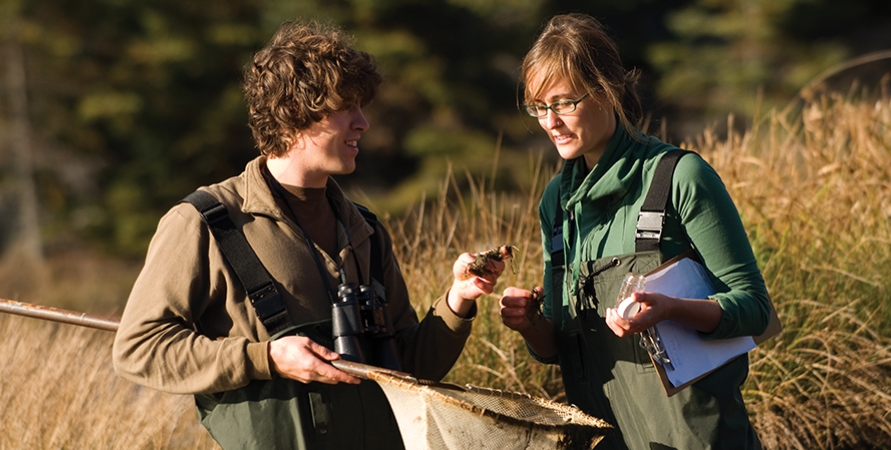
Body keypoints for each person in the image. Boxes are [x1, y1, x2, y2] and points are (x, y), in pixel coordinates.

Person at [112, 21, 504, 449]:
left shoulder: (365, 229)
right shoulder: (203, 222)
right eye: (347, 107)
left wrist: (458, 301)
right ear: (295, 112)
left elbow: (409, 369)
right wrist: (266, 358)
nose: (363, 123)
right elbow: (138, 348)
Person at [497, 13, 774, 450]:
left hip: (697, 438)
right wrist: (529, 323)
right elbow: (555, 350)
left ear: (608, 90)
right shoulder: (555, 203)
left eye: (565, 102)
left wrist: (670, 309)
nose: (551, 121)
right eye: (539, 107)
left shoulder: (680, 177)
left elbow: (755, 309)